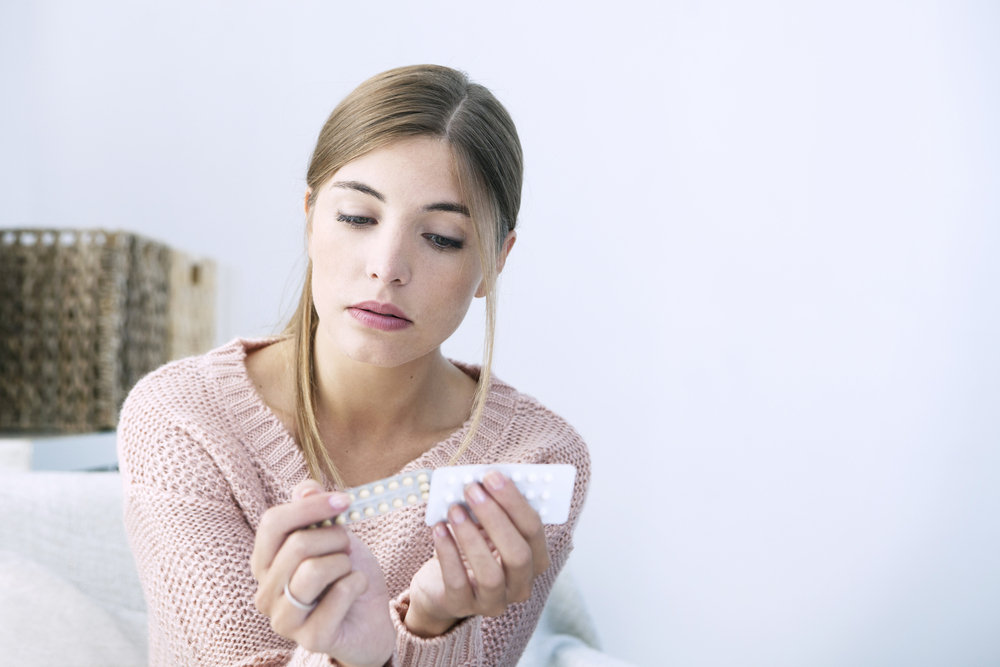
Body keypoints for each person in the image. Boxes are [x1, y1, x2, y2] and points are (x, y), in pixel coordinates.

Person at [117, 64, 590, 667]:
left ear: (496, 261)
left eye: (442, 237)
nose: (387, 266)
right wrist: (350, 656)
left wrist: (433, 619)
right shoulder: (183, 421)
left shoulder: (536, 457)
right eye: (358, 218)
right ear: (311, 215)